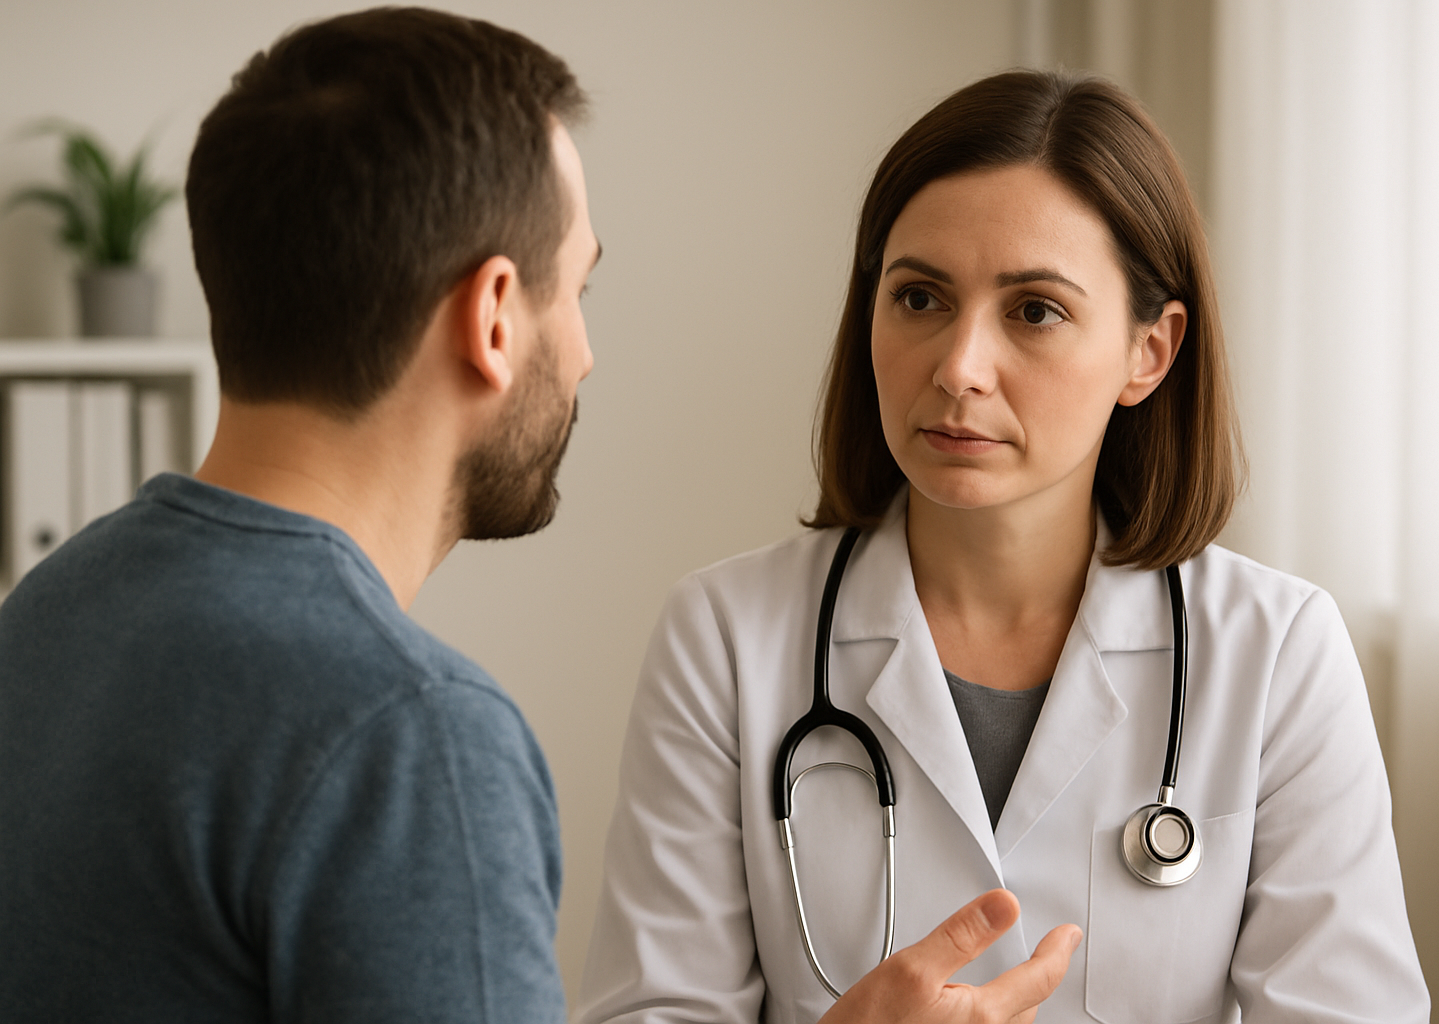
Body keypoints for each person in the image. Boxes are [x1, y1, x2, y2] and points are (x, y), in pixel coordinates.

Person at [0, 10, 1076, 1024]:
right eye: (579, 292)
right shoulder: (407, 735)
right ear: (494, 315)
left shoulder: (51, 612)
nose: (587, 351)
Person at [578, 71, 1432, 1024]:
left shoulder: (1278, 653)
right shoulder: (727, 638)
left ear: (1149, 352)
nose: (957, 367)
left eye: (1034, 310)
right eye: (919, 298)